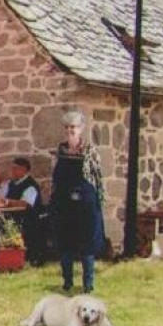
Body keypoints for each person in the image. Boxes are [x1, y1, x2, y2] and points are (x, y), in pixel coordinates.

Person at [51, 110, 107, 294]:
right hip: (64, 204)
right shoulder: (61, 150)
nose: (69, 131)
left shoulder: (90, 150)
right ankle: (67, 281)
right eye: (67, 127)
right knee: (65, 244)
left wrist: (99, 201)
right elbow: (56, 178)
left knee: (87, 245)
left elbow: (98, 178)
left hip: (85, 204)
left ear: (81, 128)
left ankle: (88, 283)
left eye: (73, 127)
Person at [2, 156, 46, 264]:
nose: (13, 171)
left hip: (28, 220)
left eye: (15, 169)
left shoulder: (31, 185)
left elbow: (25, 203)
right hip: (13, 218)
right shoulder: (11, 184)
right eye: (12, 168)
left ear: (23, 170)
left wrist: (7, 202)